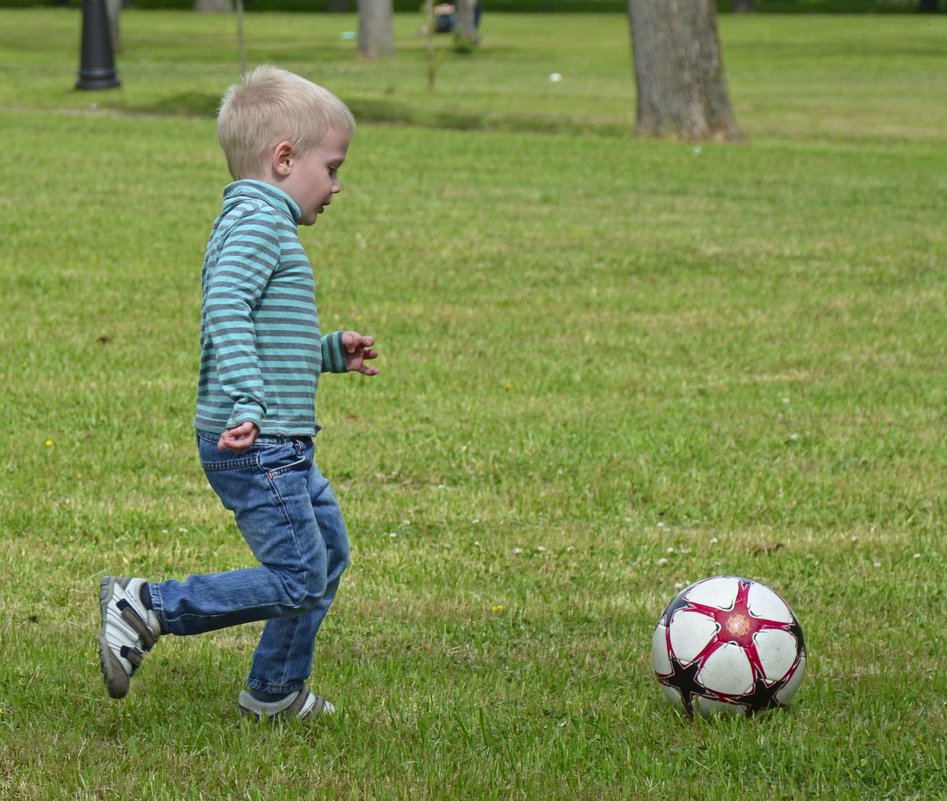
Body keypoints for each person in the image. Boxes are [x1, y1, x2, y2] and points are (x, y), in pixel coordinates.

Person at [97, 66, 378, 722]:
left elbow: (264, 336)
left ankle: (274, 688)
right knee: (298, 574)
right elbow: (223, 305)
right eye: (331, 167)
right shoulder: (258, 224)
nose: (336, 185)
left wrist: (328, 351)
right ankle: (147, 605)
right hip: (258, 442)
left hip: (279, 441)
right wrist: (248, 400)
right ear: (284, 158)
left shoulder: (262, 223)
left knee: (325, 554)